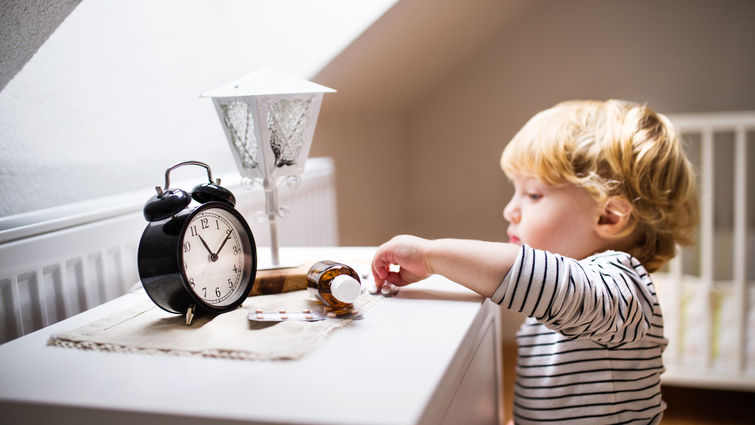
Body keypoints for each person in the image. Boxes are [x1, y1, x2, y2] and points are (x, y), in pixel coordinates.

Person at [371, 99, 698, 425]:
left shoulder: (623, 286)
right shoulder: (563, 298)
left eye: (533, 195)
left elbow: (539, 279)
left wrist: (432, 256)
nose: (510, 210)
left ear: (609, 216)